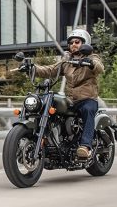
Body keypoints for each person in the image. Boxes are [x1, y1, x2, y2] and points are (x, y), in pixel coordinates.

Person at [28, 28, 105, 159]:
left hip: (87, 98)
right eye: (71, 42)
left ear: (85, 43)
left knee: (87, 109)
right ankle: (53, 142)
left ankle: (85, 146)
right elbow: (51, 69)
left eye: (77, 42)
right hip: (71, 100)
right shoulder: (66, 60)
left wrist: (91, 63)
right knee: (53, 107)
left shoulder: (91, 57)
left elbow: (100, 67)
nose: (73, 44)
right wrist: (32, 68)